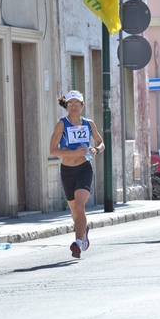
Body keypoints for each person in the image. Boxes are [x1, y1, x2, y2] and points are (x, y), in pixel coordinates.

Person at [50, 90, 105, 258]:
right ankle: (84, 230)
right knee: (75, 211)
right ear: (66, 106)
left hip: (84, 169)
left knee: (80, 206)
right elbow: (53, 150)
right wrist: (71, 153)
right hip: (67, 171)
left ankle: (78, 243)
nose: (73, 107)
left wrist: (96, 149)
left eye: (77, 103)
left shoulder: (89, 124)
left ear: (82, 105)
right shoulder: (62, 124)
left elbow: (101, 142)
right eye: (70, 103)